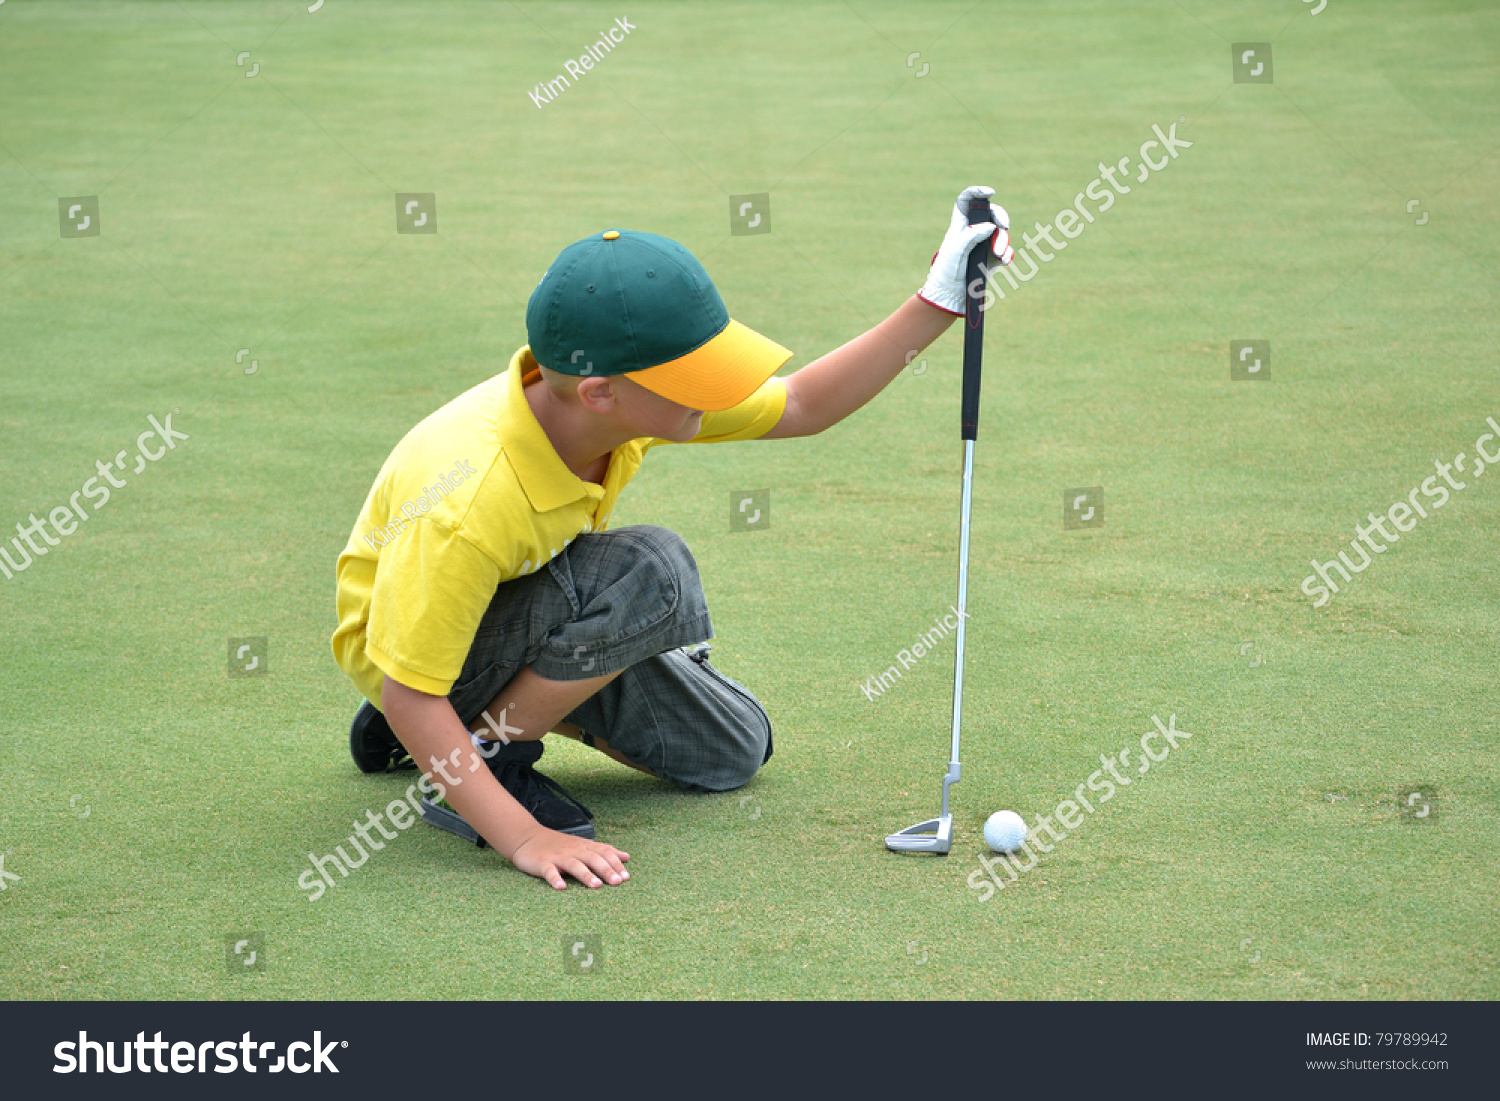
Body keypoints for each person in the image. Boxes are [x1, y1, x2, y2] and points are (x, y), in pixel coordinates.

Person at [331, 186, 1012, 890]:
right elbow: (408, 688)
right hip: (408, 668)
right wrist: (522, 835)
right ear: (600, 392)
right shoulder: (465, 498)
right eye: (693, 374)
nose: (713, 389)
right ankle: (477, 754)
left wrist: (938, 298)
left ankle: (466, 723)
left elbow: (805, 403)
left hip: (507, 623)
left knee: (732, 748)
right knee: (651, 569)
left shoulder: (624, 408)